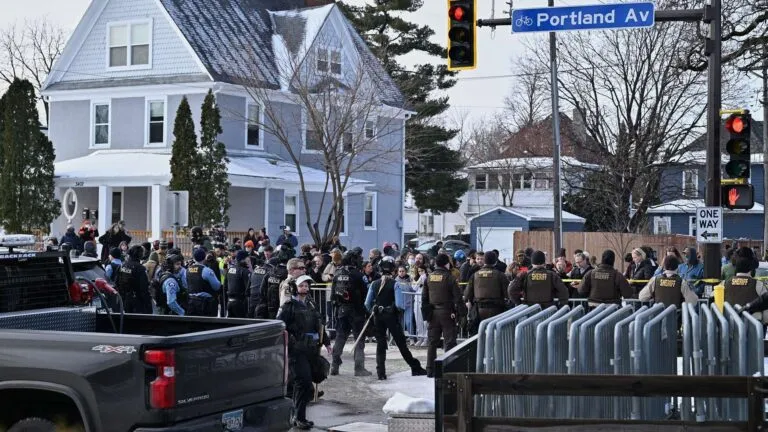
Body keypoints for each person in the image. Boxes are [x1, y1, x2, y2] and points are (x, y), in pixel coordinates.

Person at [277, 275, 331, 430]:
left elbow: (319, 325)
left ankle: (297, 416)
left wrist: (327, 343)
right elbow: (280, 326)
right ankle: (298, 417)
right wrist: (290, 343)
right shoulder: (288, 306)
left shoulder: (311, 305)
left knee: (306, 383)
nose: (305, 289)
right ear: (295, 287)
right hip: (297, 351)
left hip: (311, 350)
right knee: (303, 382)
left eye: (307, 286)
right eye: (302, 286)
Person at [365, 258, 427, 380]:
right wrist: (397, 311)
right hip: (391, 317)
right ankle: (415, 367)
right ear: (393, 270)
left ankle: (381, 373)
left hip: (378, 316)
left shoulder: (374, 284)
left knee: (380, 344)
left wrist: (374, 309)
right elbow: (399, 305)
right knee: (401, 344)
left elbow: (367, 303)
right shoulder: (395, 284)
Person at [330, 252, 372, 376]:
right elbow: (366, 294)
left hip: (342, 310)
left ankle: (334, 366)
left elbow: (333, 295)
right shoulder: (358, 275)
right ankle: (359, 368)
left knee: (340, 337)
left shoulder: (337, 273)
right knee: (359, 339)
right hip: (357, 311)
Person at [423, 253, 463, 377]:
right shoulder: (450, 278)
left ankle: (430, 369)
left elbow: (424, 298)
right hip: (447, 313)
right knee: (449, 342)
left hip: (433, 313)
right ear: (446, 264)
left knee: (432, 342)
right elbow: (458, 298)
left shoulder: (429, 277)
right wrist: (462, 313)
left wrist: (426, 315)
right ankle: (448, 369)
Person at [464, 251, 508, 334]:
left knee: (480, 335)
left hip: (479, 311)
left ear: (484, 261)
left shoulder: (475, 275)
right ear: (495, 261)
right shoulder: (500, 275)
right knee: (495, 335)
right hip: (497, 311)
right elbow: (507, 293)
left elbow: (467, 294)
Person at [723, 247, 767, 320]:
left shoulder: (724, 284)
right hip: (754, 325)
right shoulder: (758, 285)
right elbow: (766, 314)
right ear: (752, 268)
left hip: (729, 325)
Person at [115, 245, 153, 314]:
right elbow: (144, 288)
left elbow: (116, 283)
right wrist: (148, 306)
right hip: (137, 302)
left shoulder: (122, 265)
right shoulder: (140, 268)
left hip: (124, 300)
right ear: (140, 255)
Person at [186, 247, 222, 317]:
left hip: (191, 302)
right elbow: (217, 286)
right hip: (205, 304)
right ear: (204, 257)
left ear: (194, 258)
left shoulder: (188, 270)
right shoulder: (206, 270)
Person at [225, 250, 251, 318]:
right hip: (240, 303)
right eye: (247, 257)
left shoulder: (230, 269)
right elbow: (248, 289)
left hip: (229, 302)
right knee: (242, 323)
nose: (249, 259)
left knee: (231, 323)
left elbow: (225, 286)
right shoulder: (245, 271)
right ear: (243, 259)